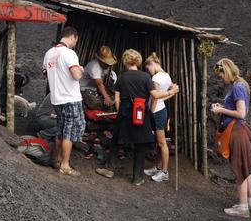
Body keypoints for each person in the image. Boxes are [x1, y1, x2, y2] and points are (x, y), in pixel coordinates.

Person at [95, 49, 178, 185]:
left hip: (124, 114)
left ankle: (109, 169)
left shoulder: (122, 77)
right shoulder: (146, 77)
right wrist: (172, 91)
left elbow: (117, 100)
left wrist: (120, 112)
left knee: (116, 141)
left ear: (126, 62)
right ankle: (137, 178)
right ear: (138, 62)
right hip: (141, 115)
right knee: (140, 145)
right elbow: (155, 95)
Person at [211, 58, 251, 218]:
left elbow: (241, 113)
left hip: (236, 131)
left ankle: (243, 208)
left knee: (239, 169)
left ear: (227, 71)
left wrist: (221, 111)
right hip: (239, 130)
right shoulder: (240, 84)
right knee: (245, 169)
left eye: (221, 75)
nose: (221, 79)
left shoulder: (237, 87)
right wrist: (223, 107)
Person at [43, 26, 85, 177]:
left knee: (61, 129)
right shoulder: (69, 53)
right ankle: (65, 166)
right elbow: (76, 75)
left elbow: (45, 73)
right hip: (70, 98)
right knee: (69, 132)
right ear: (73, 37)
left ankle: (58, 159)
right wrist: (81, 69)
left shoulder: (49, 53)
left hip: (56, 98)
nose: (75, 43)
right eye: (75, 40)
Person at [143, 53, 178, 182]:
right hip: (161, 109)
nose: (149, 71)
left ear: (152, 64)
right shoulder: (167, 76)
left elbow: (155, 97)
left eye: (148, 68)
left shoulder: (156, 78)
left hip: (157, 112)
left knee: (162, 143)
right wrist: (171, 93)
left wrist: (151, 112)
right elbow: (168, 94)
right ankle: (157, 167)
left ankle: (164, 172)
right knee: (159, 142)